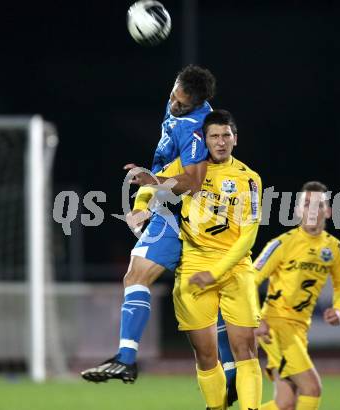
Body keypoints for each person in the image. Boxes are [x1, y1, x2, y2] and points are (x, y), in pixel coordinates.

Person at [81, 64, 216, 383]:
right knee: (135, 273)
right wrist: (144, 201)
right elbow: (164, 163)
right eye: (173, 96)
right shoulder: (177, 105)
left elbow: (194, 182)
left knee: (210, 333)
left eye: (181, 104)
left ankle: (236, 382)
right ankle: (126, 358)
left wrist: (152, 182)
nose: (174, 105)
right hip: (168, 210)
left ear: (195, 104)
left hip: (196, 215)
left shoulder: (197, 126)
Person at [174, 109, 263, 409]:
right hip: (194, 265)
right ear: (205, 139)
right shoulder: (190, 167)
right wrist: (140, 205)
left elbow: (248, 236)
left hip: (235, 267)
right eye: (214, 136)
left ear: (235, 139)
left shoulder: (248, 179)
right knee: (205, 354)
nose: (221, 141)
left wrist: (217, 271)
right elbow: (155, 179)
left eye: (226, 135)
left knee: (245, 349)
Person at [254, 181, 340, 410]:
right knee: (312, 388)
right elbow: (250, 279)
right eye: (306, 204)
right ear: (297, 210)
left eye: (318, 205)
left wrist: (338, 309)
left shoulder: (334, 248)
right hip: (276, 326)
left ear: (328, 211)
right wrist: (256, 319)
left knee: (285, 403)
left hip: (299, 329)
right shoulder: (282, 244)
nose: (311, 211)